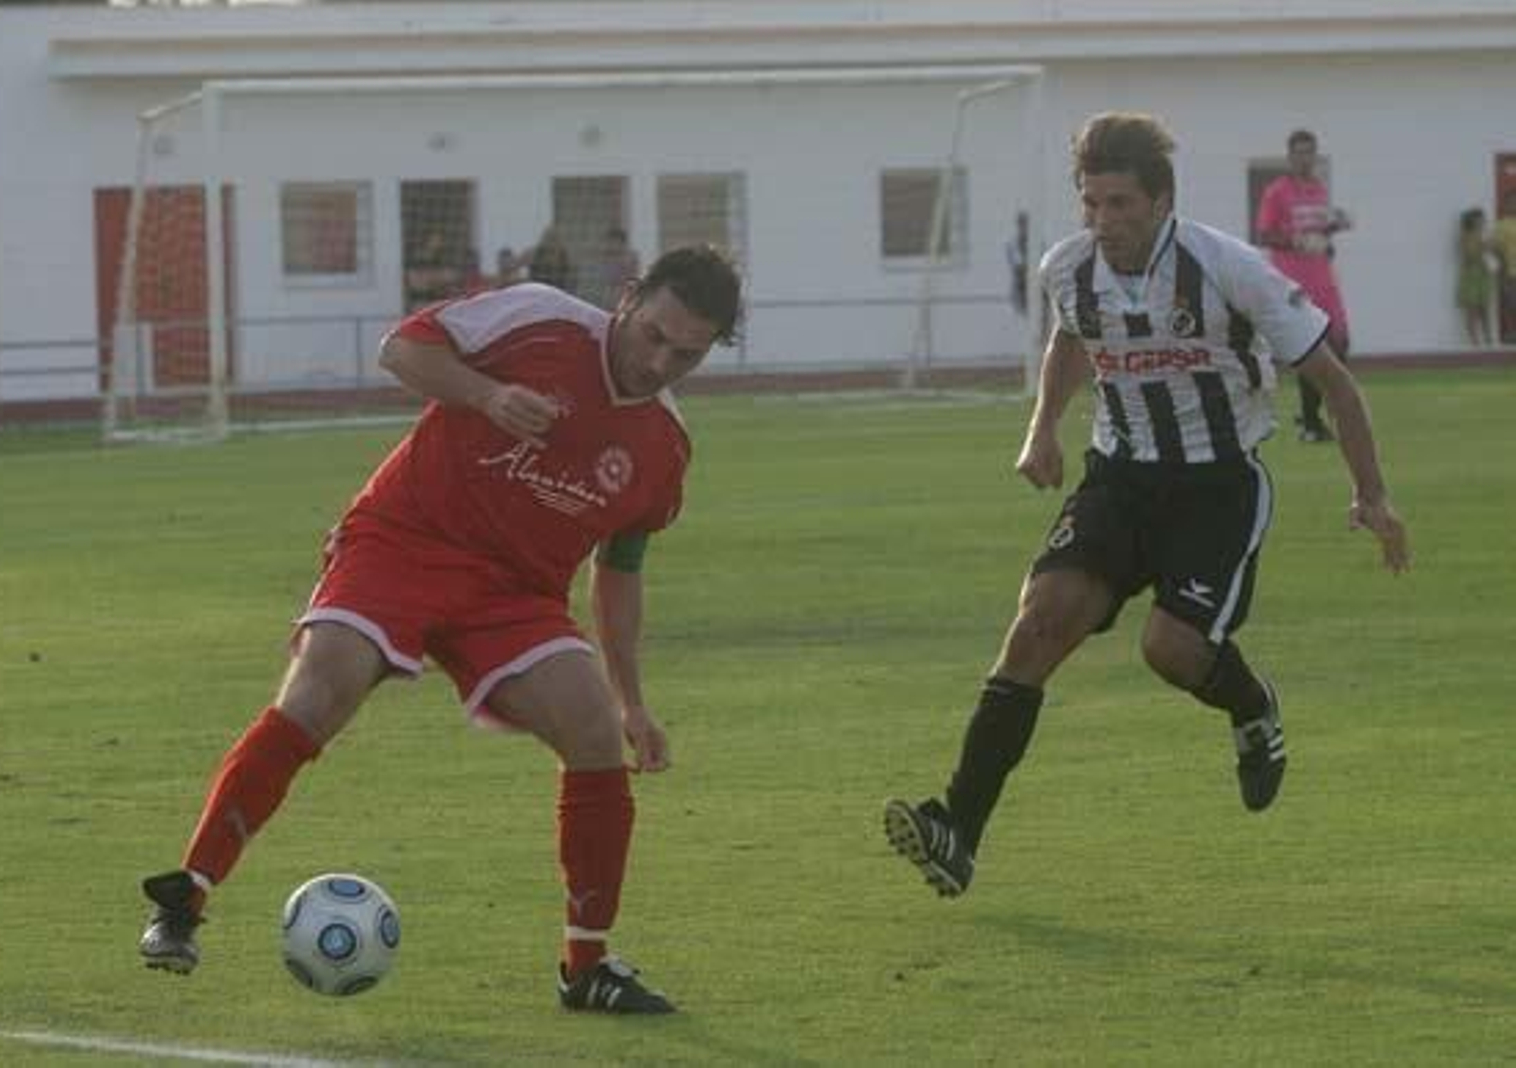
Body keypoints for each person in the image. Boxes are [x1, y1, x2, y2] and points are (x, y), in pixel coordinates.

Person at [138, 245, 744, 1015]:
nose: (660, 360)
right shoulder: (541, 319)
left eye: (685, 354)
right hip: (404, 541)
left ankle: (585, 966)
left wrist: (633, 703)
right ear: (628, 301)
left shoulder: (664, 447)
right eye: (653, 334)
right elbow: (403, 349)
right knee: (323, 686)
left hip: (515, 595)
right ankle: (183, 901)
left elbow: (620, 575)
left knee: (592, 731)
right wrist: (488, 396)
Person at [883, 112, 1410, 899]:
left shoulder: (1230, 269)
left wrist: (1372, 495)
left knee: (1169, 650)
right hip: (1119, 480)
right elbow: (1072, 339)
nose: (1105, 221)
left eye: (1121, 203)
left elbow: (1335, 382)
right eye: (1092, 204)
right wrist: (1043, 432)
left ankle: (1253, 704)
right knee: (1037, 625)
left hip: (1216, 488)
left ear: (1162, 200)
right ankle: (958, 829)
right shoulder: (1069, 269)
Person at [1254, 128, 1354, 443]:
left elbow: (1318, 234)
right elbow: (1265, 235)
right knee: (1310, 344)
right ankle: (1310, 422)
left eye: (1309, 152)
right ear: (1289, 157)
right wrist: (1296, 241)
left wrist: (1333, 229)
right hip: (1293, 279)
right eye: (1298, 153)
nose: (1304, 158)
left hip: (1322, 275)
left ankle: (1310, 414)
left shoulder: (1318, 189)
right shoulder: (1278, 191)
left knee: (1340, 341)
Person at [1455, 208, 1494, 347]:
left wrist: (1488, 247)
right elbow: (1469, 256)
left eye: (1482, 218)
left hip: (1484, 275)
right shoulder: (1465, 236)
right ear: (1471, 220)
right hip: (1471, 275)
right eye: (1478, 218)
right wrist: (1482, 247)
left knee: (1485, 310)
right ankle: (1475, 343)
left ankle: (1489, 340)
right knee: (1472, 311)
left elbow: (1490, 254)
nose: (1482, 221)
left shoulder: (1485, 235)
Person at [1491, 189, 1516, 344]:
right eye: (1511, 202)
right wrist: (1502, 269)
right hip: (1509, 271)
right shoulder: (1500, 226)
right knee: (1509, 303)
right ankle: (1510, 333)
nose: (1514, 205)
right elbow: (1494, 249)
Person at [600, 226, 642, 308]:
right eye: (609, 242)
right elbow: (607, 277)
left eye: (614, 242)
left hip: (627, 293)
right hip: (611, 294)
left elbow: (633, 276)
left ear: (622, 242)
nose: (611, 245)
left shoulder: (630, 257)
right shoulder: (607, 257)